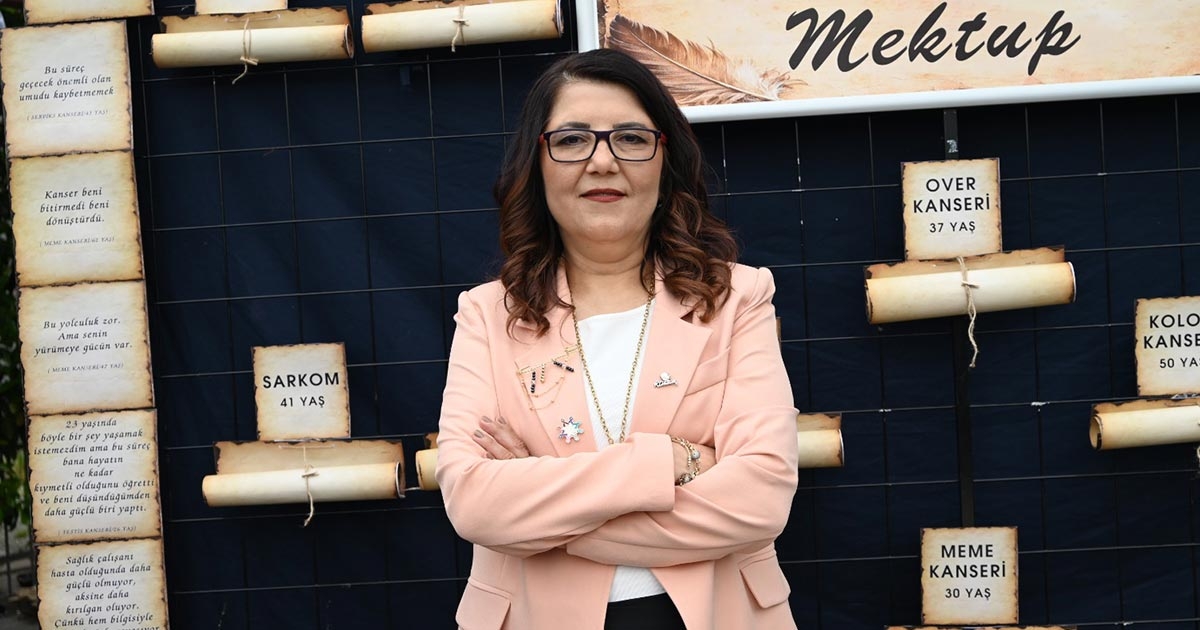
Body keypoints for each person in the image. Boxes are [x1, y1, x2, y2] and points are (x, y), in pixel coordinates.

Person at [436, 48, 800, 630]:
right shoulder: (487, 316)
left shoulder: (737, 298)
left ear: (665, 160)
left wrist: (540, 508)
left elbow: (759, 500)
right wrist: (673, 462)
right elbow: (476, 503)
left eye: (630, 138)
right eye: (572, 140)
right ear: (538, 163)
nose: (603, 162)